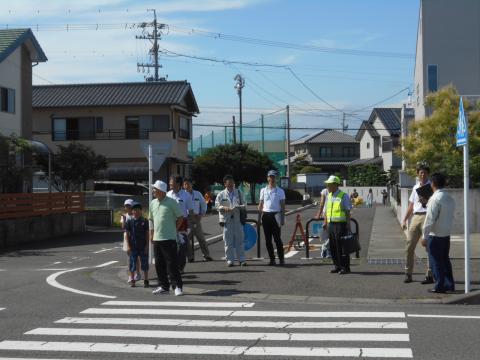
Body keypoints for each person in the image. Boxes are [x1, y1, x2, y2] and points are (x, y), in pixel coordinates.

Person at [421, 173, 455, 293]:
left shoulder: (435, 198)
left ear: (433, 183)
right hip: (446, 234)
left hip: (435, 235)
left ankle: (439, 286)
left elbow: (429, 219)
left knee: (435, 261)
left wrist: (424, 236)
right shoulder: (449, 197)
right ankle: (449, 284)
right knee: (445, 260)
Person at [149, 180, 184, 296]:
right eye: (153, 189)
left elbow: (180, 217)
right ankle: (163, 286)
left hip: (169, 238)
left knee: (172, 264)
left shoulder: (172, 202)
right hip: (157, 238)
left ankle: (177, 286)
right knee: (159, 264)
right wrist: (151, 234)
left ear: (161, 191)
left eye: (155, 189)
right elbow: (151, 220)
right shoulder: (153, 203)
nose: (153, 191)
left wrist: (174, 229)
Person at [402, 162, 433, 284]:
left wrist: (427, 201)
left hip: (427, 216)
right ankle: (408, 273)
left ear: (428, 174)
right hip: (416, 216)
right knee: (409, 246)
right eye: (421, 173)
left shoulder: (432, 186)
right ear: (417, 174)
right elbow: (411, 205)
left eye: (425, 173)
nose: (423, 175)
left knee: (428, 247)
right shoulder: (415, 187)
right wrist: (405, 219)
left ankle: (430, 275)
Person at [323, 175, 352, 274]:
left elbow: (348, 210)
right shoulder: (329, 196)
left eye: (329, 184)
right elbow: (326, 210)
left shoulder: (344, 196)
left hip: (341, 224)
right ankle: (337, 266)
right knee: (333, 246)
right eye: (327, 184)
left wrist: (348, 223)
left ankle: (345, 267)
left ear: (335, 185)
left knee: (342, 247)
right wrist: (325, 222)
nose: (327, 186)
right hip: (331, 224)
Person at [215, 174, 247, 267]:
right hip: (227, 220)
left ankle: (242, 259)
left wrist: (239, 207)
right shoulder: (221, 194)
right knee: (228, 241)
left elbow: (245, 205)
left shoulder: (239, 192)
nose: (231, 185)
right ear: (225, 184)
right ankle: (230, 260)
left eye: (232, 183)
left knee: (239, 240)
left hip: (237, 219)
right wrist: (224, 207)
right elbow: (217, 206)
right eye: (229, 184)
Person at [167, 175, 194, 273]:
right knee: (170, 246)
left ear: (178, 184)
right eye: (170, 183)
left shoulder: (186, 195)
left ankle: (180, 267)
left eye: (171, 183)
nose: (170, 184)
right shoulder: (168, 194)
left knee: (182, 247)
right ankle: (172, 267)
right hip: (170, 223)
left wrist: (192, 224)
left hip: (183, 223)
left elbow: (190, 210)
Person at [258, 170, 286, 266]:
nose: (272, 179)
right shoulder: (263, 190)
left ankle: (281, 258)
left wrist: (282, 219)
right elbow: (261, 205)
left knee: (277, 239)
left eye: (273, 177)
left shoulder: (280, 191)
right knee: (268, 239)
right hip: (266, 216)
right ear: (267, 178)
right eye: (270, 177)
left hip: (276, 215)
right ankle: (272, 259)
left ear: (276, 178)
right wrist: (259, 219)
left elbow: (282, 206)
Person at [183, 178, 213, 262]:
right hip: (186, 218)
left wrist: (201, 214)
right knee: (186, 239)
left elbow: (204, 204)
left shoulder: (197, 194)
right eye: (185, 184)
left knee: (201, 237)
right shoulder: (182, 195)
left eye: (188, 184)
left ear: (191, 184)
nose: (186, 186)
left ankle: (206, 255)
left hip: (196, 217)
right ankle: (190, 257)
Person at [125, 202, 149, 288]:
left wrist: (147, 246)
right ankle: (132, 280)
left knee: (145, 263)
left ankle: (146, 280)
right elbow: (127, 234)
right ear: (132, 211)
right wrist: (128, 246)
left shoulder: (145, 221)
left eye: (138, 210)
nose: (136, 212)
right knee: (132, 264)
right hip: (133, 246)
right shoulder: (129, 221)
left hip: (143, 245)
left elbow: (147, 233)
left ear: (141, 211)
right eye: (134, 210)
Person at [121, 199, 140, 283]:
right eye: (126, 206)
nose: (127, 207)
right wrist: (124, 219)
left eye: (129, 205)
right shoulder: (124, 216)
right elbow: (123, 227)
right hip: (127, 238)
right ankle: (130, 275)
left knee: (137, 257)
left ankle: (138, 273)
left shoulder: (135, 214)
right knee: (129, 257)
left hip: (135, 238)